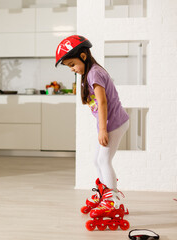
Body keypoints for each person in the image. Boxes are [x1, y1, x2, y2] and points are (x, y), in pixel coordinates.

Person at [55, 35, 130, 231]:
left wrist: (103, 129)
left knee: (104, 160)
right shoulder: (89, 74)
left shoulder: (94, 73)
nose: (72, 69)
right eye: (69, 67)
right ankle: (104, 193)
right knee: (97, 160)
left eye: (72, 64)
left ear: (83, 55)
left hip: (114, 124)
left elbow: (102, 102)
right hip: (108, 124)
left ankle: (112, 199)